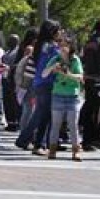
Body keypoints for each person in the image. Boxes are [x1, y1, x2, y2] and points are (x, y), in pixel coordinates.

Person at [16, 19, 61, 156]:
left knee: (42, 115)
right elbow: (58, 60)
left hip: (39, 82)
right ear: (52, 32)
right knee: (42, 115)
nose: (60, 33)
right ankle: (29, 141)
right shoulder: (50, 47)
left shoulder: (40, 45)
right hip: (46, 83)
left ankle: (36, 143)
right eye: (58, 30)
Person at [42, 37, 84, 161]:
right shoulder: (55, 59)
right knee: (55, 124)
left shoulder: (75, 60)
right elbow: (44, 74)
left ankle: (75, 151)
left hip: (73, 96)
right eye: (61, 45)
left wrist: (68, 74)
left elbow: (80, 78)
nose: (62, 48)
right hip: (58, 95)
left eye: (65, 45)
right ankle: (52, 150)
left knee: (73, 124)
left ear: (71, 47)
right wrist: (52, 68)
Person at [80, 20, 100, 152]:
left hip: (89, 80)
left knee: (90, 108)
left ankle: (87, 140)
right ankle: (97, 137)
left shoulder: (88, 43)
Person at [2, 34, 20, 132]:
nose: (9, 41)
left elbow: (19, 65)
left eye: (11, 40)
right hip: (5, 79)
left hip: (14, 79)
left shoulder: (18, 52)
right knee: (7, 101)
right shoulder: (7, 52)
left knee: (14, 102)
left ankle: (15, 123)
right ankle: (10, 122)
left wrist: (10, 67)